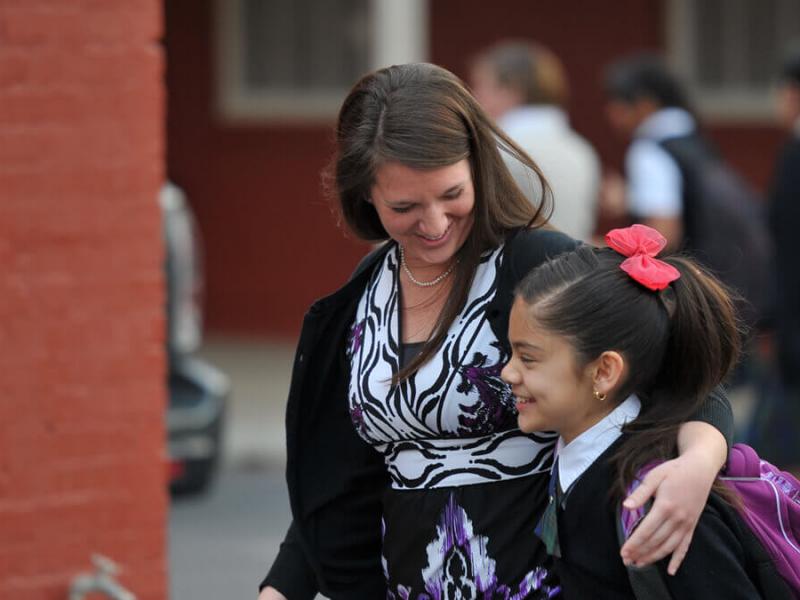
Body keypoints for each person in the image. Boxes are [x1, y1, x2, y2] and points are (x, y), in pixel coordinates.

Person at [259, 63, 733, 600]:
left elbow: (687, 380)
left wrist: (698, 464)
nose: (434, 224)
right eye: (404, 207)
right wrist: (282, 586)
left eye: (451, 194)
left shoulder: (536, 268)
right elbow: (339, 476)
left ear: (478, 167)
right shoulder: (364, 294)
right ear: (365, 195)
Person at [501, 224, 791, 598]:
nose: (508, 372)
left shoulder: (662, 503)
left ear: (605, 371)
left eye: (528, 358)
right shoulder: (587, 455)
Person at [470, 41, 600, 241]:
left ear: (510, 90)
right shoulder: (580, 148)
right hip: (576, 267)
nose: (474, 97)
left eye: (481, 86)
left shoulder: (499, 149)